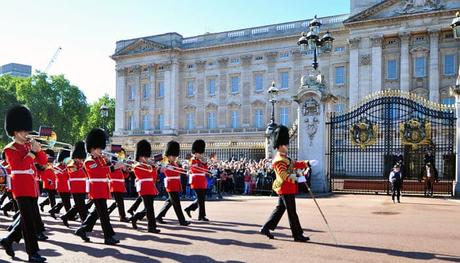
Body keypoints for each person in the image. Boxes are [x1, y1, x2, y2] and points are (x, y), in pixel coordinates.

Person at [0, 105, 48, 262]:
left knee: (29, 219)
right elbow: (19, 167)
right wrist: (33, 152)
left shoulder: (29, 145)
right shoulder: (10, 149)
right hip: (20, 186)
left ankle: (8, 241)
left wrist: (38, 150)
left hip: (32, 186)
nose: (27, 133)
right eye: (24, 130)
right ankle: (32, 253)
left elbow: (43, 162)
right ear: (15, 131)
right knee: (28, 223)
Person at [259, 125, 310, 242]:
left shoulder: (285, 157)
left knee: (280, 209)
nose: (287, 146)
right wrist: (298, 179)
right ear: (281, 145)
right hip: (285, 188)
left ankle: (266, 228)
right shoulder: (278, 160)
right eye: (286, 144)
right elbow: (284, 176)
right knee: (292, 212)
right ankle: (297, 234)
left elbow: (294, 164)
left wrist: (307, 163)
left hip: (287, 188)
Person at [74, 128, 122, 245]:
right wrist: (113, 167)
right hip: (96, 189)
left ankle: (82, 229)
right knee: (104, 215)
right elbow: (100, 172)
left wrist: (110, 163)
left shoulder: (100, 159)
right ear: (92, 148)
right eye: (99, 148)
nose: (101, 151)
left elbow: (107, 171)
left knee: (96, 213)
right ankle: (108, 236)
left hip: (103, 188)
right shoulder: (89, 161)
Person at [156, 141, 190, 226]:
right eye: (173, 156)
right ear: (169, 154)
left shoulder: (174, 162)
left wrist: (186, 171)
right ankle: (182, 220)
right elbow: (161, 169)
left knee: (170, 201)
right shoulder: (165, 161)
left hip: (175, 183)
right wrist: (166, 166)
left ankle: (159, 216)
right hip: (171, 183)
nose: (175, 157)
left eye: (175, 156)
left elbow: (178, 170)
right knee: (176, 203)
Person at [130, 140, 161, 233]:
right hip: (144, 188)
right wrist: (152, 167)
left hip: (150, 187)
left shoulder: (147, 166)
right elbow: (144, 175)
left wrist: (155, 168)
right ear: (140, 156)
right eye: (145, 156)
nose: (146, 158)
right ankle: (151, 227)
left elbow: (154, 178)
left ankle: (135, 218)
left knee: (149, 208)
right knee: (149, 208)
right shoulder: (137, 166)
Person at [60, 141, 89, 227]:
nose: (80, 160)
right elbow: (77, 172)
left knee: (79, 204)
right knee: (81, 205)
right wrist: (83, 166)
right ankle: (84, 221)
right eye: (79, 158)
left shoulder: (80, 164)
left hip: (82, 186)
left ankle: (66, 217)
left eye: (81, 158)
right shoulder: (71, 164)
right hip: (75, 187)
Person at [184, 139, 210, 221]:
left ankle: (189, 208)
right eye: (200, 153)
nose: (201, 154)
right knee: (201, 198)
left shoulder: (201, 160)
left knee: (202, 198)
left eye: (201, 153)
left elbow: (206, 170)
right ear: (195, 152)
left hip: (202, 180)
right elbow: (195, 168)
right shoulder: (192, 160)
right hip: (196, 180)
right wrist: (202, 162)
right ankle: (201, 216)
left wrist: (205, 163)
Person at [107, 148, 129, 222]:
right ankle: (122, 217)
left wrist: (125, 170)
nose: (122, 156)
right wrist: (118, 166)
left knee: (118, 202)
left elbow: (125, 176)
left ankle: (106, 213)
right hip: (114, 184)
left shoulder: (120, 164)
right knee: (120, 202)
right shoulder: (112, 164)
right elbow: (109, 173)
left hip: (120, 184)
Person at [49, 149, 72, 217]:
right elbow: (63, 175)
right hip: (62, 185)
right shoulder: (57, 167)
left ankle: (53, 210)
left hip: (66, 185)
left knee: (65, 200)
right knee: (67, 201)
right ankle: (69, 215)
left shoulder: (65, 166)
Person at [38, 150, 57, 216]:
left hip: (53, 183)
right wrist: (48, 181)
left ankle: (43, 204)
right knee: (52, 198)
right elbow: (42, 175)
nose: (51, 162)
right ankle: (53, 211)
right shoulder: (44, 164)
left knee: (51, 196)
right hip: (48, 183)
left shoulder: (50, 164)